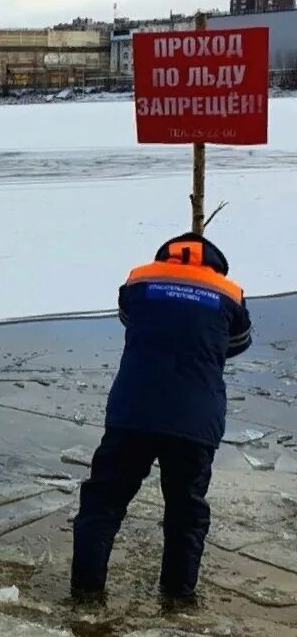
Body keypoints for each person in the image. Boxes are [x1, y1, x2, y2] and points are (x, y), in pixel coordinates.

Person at [71, 232, 252, 607]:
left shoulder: (139, 280)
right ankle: (176, 597)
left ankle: (85, 595)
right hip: (194, 419)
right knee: (186, 513)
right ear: (216, 262)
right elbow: (236, 344)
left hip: (132, 412)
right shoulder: (230, 294)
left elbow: (130, 319)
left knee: (102, 503)